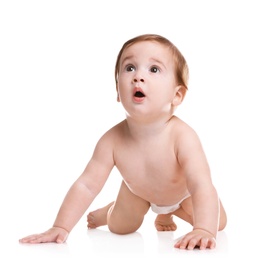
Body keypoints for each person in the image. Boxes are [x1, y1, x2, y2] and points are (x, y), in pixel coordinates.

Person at [19, 34, 227, 250]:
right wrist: (60, 227)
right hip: (137, 192)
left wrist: (204, 229)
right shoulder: (111, 141)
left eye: (153, 69)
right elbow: (86, 185)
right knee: (121, 227)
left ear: (177, 95)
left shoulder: (183, 136)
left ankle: (169, 213)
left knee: (218, 223)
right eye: (129, 68)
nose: (138, 76)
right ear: (118, 91)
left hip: (183, 194)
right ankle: (106, 212)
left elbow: (201, 184)